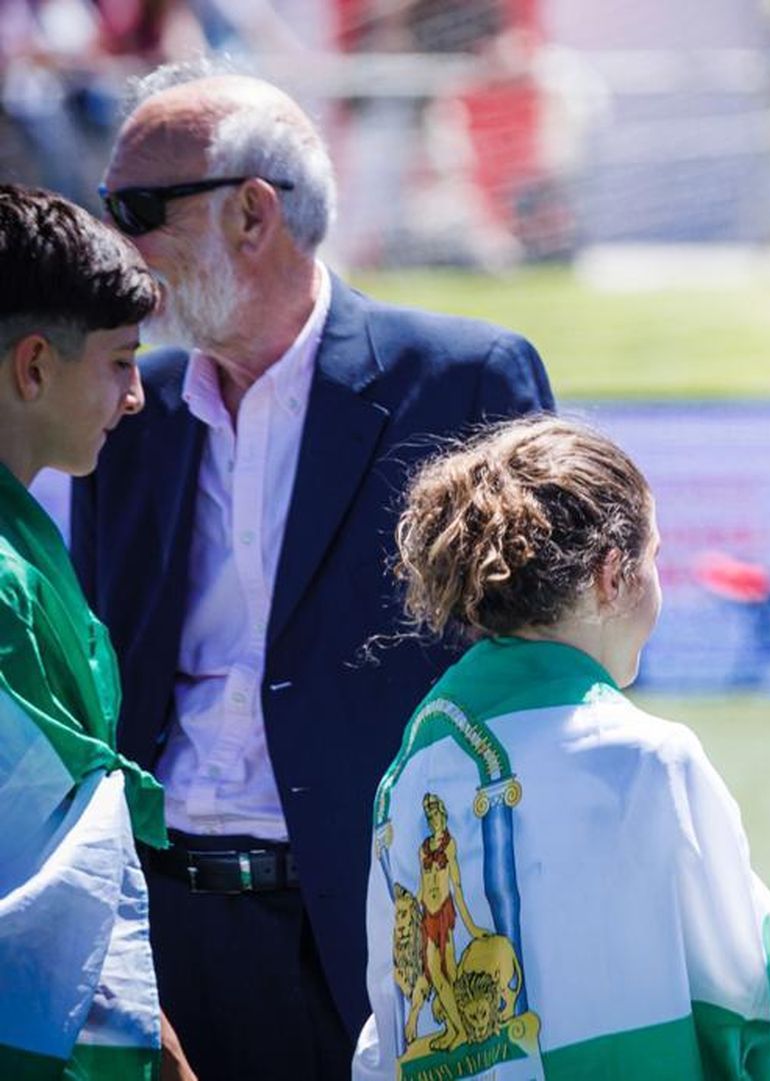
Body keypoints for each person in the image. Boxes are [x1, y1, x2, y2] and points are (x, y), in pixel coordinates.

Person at [72, 61, 556, 1081]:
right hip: (164, 935)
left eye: (140, 208)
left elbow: (540, 665)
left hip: (390, 921)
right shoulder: (126, 410)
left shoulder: (462, 380)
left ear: (255, 213)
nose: (118, 242)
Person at [352, 417, 770, 1079]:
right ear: (611, 574)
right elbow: (754, 988)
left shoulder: (415, 768)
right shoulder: (643, 759)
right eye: (654, 556)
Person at [0, 184, 194, 1078]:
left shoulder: (24, 537)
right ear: (33, 367)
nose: (135, 397)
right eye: (122, 362)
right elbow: (52, 876)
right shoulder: (7, 582)